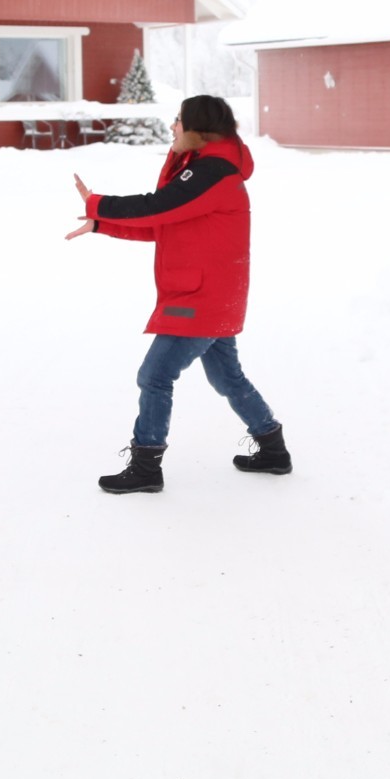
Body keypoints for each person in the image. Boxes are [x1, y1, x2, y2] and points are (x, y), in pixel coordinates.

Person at [69, 94, 289, 493]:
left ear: (199, 129)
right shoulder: (205, 170)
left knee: (154, 376)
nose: (172, 127)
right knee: (228, 379)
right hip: (213, 295)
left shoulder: (213, 173)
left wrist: (99, 204)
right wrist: (101, 224)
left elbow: (159, 205)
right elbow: (164, 225)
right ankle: (273, 448)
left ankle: (146, 466)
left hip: (200, 299)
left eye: (178, 120)